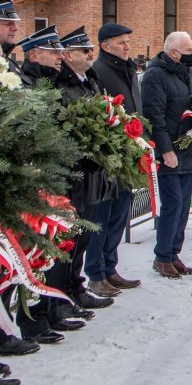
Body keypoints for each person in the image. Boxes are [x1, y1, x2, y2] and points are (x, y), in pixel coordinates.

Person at [13, 26, 85, 346]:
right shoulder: (25, 84)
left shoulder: (51, 83)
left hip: (56, 173)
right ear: (33, 55)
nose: (59, 57)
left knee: (54, 245)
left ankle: (50, 309)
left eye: (60, 52)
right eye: (52, 52)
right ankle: (31, 318)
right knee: (33, 249)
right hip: (35, 177)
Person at [54, 27, 117, 315]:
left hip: (92, 170)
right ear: (67, 55)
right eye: (83, 50)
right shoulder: (61, 84)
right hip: (75, 171)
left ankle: (75, 289)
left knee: (83, 236)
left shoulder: (88, 80)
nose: (90, 54)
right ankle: (60, 298)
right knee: (69, 239)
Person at [85, 23, 143, 296]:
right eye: (121, 42)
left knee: (121, 212)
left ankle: (110, 267)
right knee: (103, 216)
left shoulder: (128, 68)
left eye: (127, 41)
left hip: (128, 153)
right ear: (105, 46)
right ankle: (95, 273)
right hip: (109, 156)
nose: (127, 46)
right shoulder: (98, 71)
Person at [0, 0, 41, 363]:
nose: (15, 26)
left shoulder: (7, 65)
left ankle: (5, 329)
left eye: (15, 21)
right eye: (6, 21)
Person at [141, 31, 192, 279]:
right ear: (174, 53)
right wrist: (165, 149)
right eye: (189, 52)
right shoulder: (156, 75)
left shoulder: (184, 72)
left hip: (186, 146)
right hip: (170, 151)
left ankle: (174, 253)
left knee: (183, 205)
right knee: (172, 204)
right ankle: (162, 256)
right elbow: (154, 115)